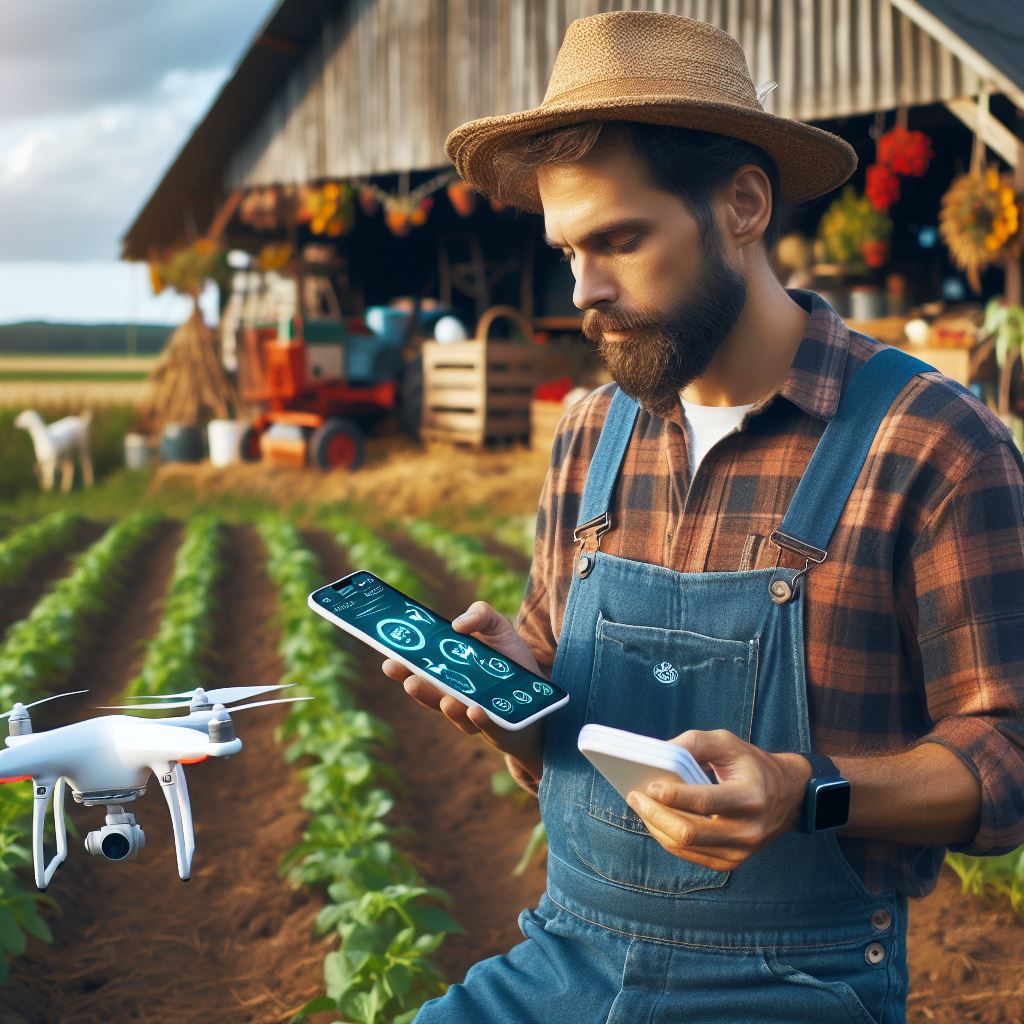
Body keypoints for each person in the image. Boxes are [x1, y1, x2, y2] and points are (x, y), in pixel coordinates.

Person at [381, 11, 1024, 1022]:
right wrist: (515, 698)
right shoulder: (588, 433)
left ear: (742, 204)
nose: (584, 291)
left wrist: (800, 786)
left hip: (796, 986)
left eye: (620, 241)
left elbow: (1005, 757)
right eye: (567, 251)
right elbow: (549, 761)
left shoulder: (931, 444)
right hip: (560, 958)